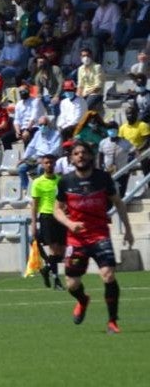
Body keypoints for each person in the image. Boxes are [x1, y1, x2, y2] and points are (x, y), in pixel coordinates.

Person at [53, 142, 135, 334]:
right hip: (76, 239)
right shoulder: (65, 181)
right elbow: (57, 210)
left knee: (108, 275)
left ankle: (112, 322)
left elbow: (119, 203)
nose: (80, 156)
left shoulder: (103, 178)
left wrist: (128, 230)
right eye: (76, 153)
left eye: (83, 153)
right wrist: (70, 224)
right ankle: (83, 299)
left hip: (99, 235)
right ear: (71, 158)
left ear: (90, 156)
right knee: (72, 284)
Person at [29, 154, 65, 290]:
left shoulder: (60, 181)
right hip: (47, 217)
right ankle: (56, 280)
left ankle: (46, 269)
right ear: (42, 165)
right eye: (46, 163)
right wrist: (34, 224)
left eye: (51, 162)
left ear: (55, 164)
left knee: (61, 252)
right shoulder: (38, 182)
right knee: (53, 248)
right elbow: (34, 205)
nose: (49, 165)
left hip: (60, 216)